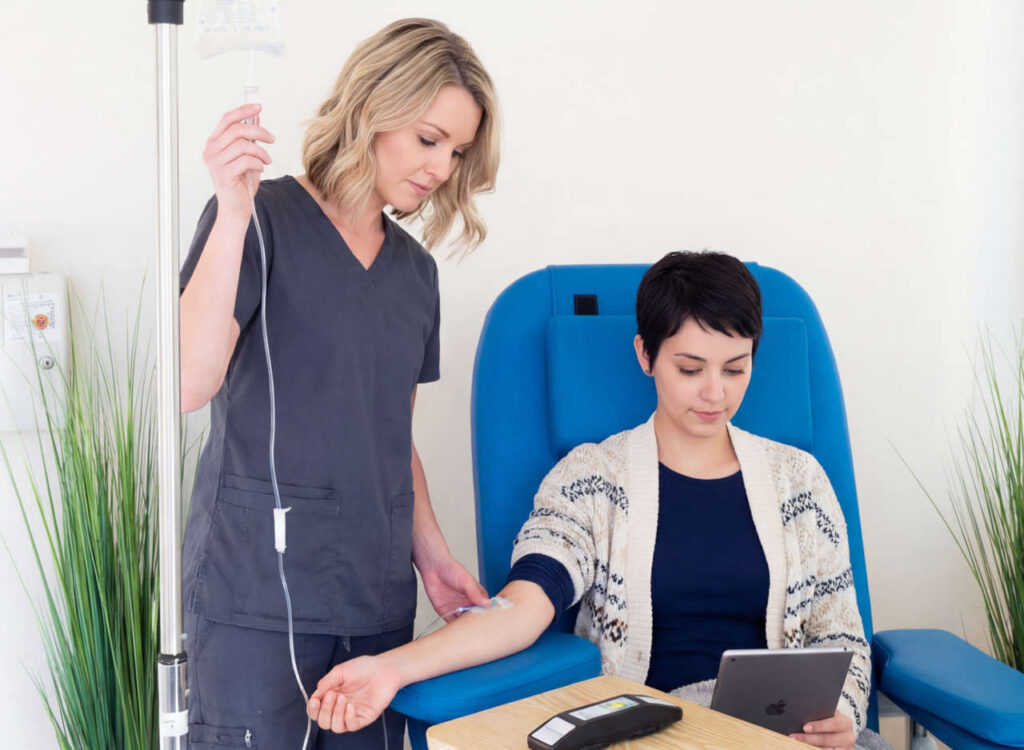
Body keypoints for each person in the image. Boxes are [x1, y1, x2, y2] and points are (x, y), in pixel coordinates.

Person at [306, 251, 884, 750]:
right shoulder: (592, 479)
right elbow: (523, 608)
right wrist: (390, 669)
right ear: (645, 355)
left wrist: (842, 719)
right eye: (690, 368)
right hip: (659, 728)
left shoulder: (798, 481)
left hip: (790, 736)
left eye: (736, 368)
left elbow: (842, 638)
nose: (716, 393)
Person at [178, 18, 500, 749]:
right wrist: (230, 209)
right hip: (254, 594)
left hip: (373, 601)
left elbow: (392, 436)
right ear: (371, 108)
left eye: (456, 151)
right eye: (429, 139)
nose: (442, 167)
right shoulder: (257, 219)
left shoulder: (415, 275)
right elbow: (190, 384)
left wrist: (435, 557)